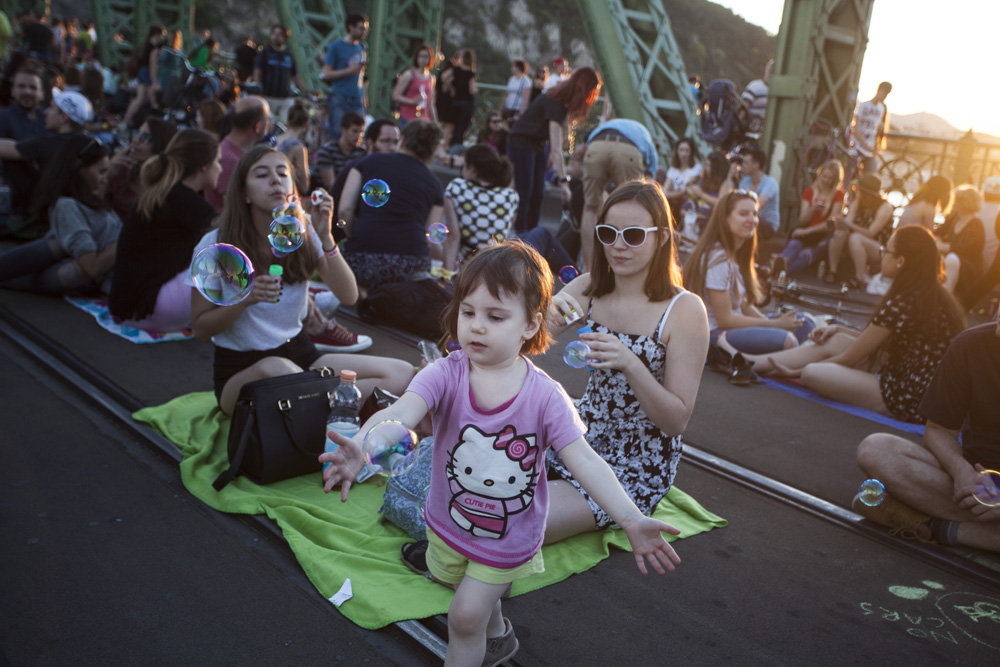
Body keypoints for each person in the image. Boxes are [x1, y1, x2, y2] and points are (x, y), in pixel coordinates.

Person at [320, 240, 683, 667]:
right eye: (467, 311)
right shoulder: (445, 373)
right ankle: (499, 635)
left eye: (495, 316)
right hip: (446, 522)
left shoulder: (547, 397)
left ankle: (480, 635)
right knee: (460, 586)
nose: (475, 326)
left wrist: (631, 519)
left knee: (464, 615)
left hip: (508, 535)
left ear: (531, 326)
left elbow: (584, 460)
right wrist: (362, 448)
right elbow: (401, 413)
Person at [189, 145, 412, 416]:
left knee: (401, 373)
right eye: (261, 175)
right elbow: (200, 328)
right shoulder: (215, 244)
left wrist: (326, 238)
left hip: (301, 355)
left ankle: (318, 407)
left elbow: (349, 296)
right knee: (277, 369)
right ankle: (327, 407)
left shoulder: (304, 228)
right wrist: (244, 300)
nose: (275, 180)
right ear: (244, 193)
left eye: (282, 173)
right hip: (241, 372)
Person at [543, 181, 709, 544]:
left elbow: (675, 420)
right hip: (577, 438)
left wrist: (631, 363)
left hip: (633, 465)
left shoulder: (684, 311)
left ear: (662, 237)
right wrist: (534, 317)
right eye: (608, 233)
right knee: (475, 481)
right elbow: (529, 336)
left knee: (523, 520)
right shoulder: (590, 288)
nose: (618, 245)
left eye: (633, 235)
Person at [723, 226, 965, 421]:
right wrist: (838, 327)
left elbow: (850, 357)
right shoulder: (932, 295)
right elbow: (875, 340)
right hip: (914, 383)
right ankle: (750, 363)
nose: (882, 255)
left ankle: (761, 364)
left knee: (813, 373)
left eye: (886, 251)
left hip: (905, 397)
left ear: (901, 261)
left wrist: (794, 373)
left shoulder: (903, 301)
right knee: (836, 338)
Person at [854, 317, 1000, 552]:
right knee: (876, 450)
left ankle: (940, 528)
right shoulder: (970, 344)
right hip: (973, 484)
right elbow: (939, 430)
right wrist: (959, 468)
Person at [108, 129, 220, 331]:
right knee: (229, 259)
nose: (220, 168)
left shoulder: (169, 192)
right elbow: (233, 236)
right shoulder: (183, 199)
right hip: (146, 307)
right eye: (218, 162)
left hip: (129, 306)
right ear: (204, 167)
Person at [684, 190, 814, 355]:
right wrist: (774, 326)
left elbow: (743, 305)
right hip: (714, 334)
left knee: (806, 323)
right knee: (787, 340)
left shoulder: (734, 254)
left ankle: (787, 353)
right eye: (743, 214)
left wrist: (770, 322)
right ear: (725, 219)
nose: (752, 220)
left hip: (733, 327)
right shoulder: (718, 260)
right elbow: (725, 320)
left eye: (754, 214)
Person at [0, 135, 119, 294]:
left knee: (57, 245)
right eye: (102, 172)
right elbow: (92, 267)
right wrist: (124, 241)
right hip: (88, 270)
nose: (105, 179)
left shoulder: (92, 198)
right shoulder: (67, 206)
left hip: (97, 271)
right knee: (57, 248)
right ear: (79, 169)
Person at [338, 120, 444, 290]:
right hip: (412, 264)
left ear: (402, 140)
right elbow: (430, 235)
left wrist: (356, 237)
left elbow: (345, 210)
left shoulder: (369, 162)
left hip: (362, 257)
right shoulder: (435, 184)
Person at [507, 67, 601, 233]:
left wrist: (550, 153)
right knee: (525, 192)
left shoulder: (561, 101)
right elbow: (557, 148)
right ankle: (521, 235)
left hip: (537, 144)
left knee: (538, 194)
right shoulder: (555, 103)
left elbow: (559, 140)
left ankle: (530, 235)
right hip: (521, 142)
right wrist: (564, 184)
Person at [579, 119, 659, 266]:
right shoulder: (644, 135)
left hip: (596, 146)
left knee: (590, 207)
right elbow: (650, 180)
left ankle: (590, 268)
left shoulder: (611, 125)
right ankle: (625, 262)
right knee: (632, 206)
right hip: (628, 149)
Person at [441, 143, 519, 270]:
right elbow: (504, 232)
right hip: (494, 269)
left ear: (472, 169)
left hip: (466, 269)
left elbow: (453, 237)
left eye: (464, 166)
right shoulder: (511, 196)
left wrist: (446, 276)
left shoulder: (456, 188)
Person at [773, 159, 845, 277]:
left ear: (835, 180)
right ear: (820, 174)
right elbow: (803, 220)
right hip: (807, 231)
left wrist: (807, 231)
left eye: (830, 178)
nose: (826, 180)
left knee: (807, 254)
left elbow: (831, 223)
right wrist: (812, 209)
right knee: (794, 244)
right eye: (824, 176)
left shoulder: (839, 194)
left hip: (823, 234)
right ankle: (781, 263)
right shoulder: (809, 192)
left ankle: (784, 271)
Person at [825, 173, 893, 288]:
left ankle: (859, 278)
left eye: (858, 189)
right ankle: (833, 271)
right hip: (855, 244)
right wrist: (841, 223)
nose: (856, 191)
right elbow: (849, 221)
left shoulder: (885, 207)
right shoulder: (858, 202)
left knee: (855, 237)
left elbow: (871, 233)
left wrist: (848, 223)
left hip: (878, 248)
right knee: (840, 234)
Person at [205, 95, 271, 211]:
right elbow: (233, 210)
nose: (269, 124)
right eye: (268, 119)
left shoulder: (232, 152)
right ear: (258, 126)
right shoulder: (228, 160)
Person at [105, 117, 177, 220]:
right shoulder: (125, 168)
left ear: (160, 146)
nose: (134, 141)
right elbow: (96, 203)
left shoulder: (166, 187)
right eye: (136, 134)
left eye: (144, 137)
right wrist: (109, 170)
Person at [321, 12, 368, 140]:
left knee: (359, 136)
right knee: (337, 134)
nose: (364, 32)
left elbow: (361, 77)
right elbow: (326, 74)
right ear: (350, 27)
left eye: (366, 29)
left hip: (357, 99)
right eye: (361, 28)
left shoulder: (362, 47)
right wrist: (349, 71)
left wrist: (364, 98)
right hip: (340, 97)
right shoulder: (335, 47)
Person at [253, 24, 310, 122]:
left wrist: (307, 91)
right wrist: (257, 89)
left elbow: (295, 76)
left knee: (286, 124)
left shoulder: (288, 55)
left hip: (284, 98)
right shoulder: (265, 52)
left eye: (279, 34)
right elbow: (257, 71)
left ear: (285, 38)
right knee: (266, 123)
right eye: (274, 34)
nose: (276, 37)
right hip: (267, 96)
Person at [936, 184, 984, 294]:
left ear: (964, 202)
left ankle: (946, 296)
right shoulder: (953, 218)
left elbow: (960, 248)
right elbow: (937, 234)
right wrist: (938, 242)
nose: (953, 202)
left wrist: (939, 245)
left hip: (967, 267)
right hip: (949, 258)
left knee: (952, 258)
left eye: (956, 199)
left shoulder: (976, 224)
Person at [682, 150, 731, 240]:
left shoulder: (725, 182)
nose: (706, 167)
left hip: (713, 209)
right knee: (686, 205)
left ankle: (701, 239)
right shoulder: (705, 178)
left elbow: (720, 201)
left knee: (703, 210)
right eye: (706, 164)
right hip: (700, 204)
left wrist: (701, 194)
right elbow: (698, 193)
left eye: (709, 165)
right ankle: (687, 236)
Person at [122, 25, 165, 127]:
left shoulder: (145, 45)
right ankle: (153, 126)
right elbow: (152, 66)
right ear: (157, 34)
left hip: (141, 72)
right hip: (146, 73)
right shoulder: (154, 48)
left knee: (139, 99)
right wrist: (154, 82)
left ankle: (126, 121)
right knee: (153, 101)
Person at [314, 111, 366, 191]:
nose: (359, 136)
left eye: (361, 132)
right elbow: (331, 186)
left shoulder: (362, 153)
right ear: (343, 130)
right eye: (355, 131)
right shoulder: (327, 151)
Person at [737, 147, 780, 239]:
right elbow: (736, 201)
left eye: (746, 162)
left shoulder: (770, 183)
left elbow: (756, 206)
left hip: (767, 225)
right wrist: (729, 177)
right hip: (750, 218)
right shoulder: (745, 181)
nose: (742, 165)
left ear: (756, 165)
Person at [850, 81, 891, 176]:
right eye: (885, 94)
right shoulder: (863, 106)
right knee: (849, 175)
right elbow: (855, 129)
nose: (885, 97)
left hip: (869, 151)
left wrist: (875, 146)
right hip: (855, 147)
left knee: (872, 176)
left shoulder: (881, 109)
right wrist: (866, 144)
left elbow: (876, 131)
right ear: (880, 91)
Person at [391, 43, 438, 127]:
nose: (423, 59)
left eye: (426, 56)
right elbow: (396, 96)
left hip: (424, 120)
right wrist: (412, 101)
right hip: (408, 118)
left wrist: (435, 122)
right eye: (420, 56)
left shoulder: (431, 78)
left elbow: (430, 102)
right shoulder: (409, 74)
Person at [662, 137, 701, 233]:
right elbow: (665, 189)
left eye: (687, 150)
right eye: (681, 150)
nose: (683, 154)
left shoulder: (696, 168)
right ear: (677, 151)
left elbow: (684, 192)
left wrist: (669, 194)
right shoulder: (673, 169)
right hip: (674, 200)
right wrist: (668, 194)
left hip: (688, 201)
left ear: (691, 152)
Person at [273, 100, 311, 196]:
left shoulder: (274, 140)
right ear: (306, 123)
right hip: (286, 194)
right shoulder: (298, 147)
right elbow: (304, 186)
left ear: (288, 120)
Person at [0, 65, 47, 141]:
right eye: (21, 86)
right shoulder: (2, 118)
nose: (27, 92)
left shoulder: (49, 118)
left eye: (33, 87)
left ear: (42, 93)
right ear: (12, 91)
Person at [447, 49, 476, 149]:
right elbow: (471, 90)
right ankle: (456, 147)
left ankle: (449, 146)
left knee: (454, 126)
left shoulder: (456, 70)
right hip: (466, 103)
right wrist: (476, 90)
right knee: (462, 127)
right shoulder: (470, 73)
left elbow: (444, 78)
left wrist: (451, 88)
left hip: (455, 101)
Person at [740, 59, 772, 135]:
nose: (771, 74)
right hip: (753, 129)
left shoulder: (778, 90)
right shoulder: (755, 86)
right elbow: (743, 109)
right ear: (766, 71)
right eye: (770, 71)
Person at [501, 59, 531, 123]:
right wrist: (502, 106)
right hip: (508, 107)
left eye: (513, 66)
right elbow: (507, 94)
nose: (512, 68)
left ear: (518, 68)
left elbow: (526, 98)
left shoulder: (526, 80)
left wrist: (521, 112)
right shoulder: (511, 79)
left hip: (517, 108)